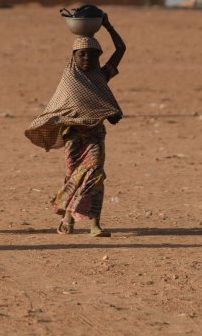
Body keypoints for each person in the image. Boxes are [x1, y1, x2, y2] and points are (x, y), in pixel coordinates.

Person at [25, 12, 125, 238]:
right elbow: (63, 108)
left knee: (95, 172)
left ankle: (95, 224)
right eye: (82, 55)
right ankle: (68, 218)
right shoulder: (70, 78)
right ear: (74, 57)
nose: (87, 59)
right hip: (73, 136)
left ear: (99, 57)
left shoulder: (101, 76)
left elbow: (121, 50)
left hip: (95, 135)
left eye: (92, 55)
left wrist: (108, 25)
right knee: (73, 177)